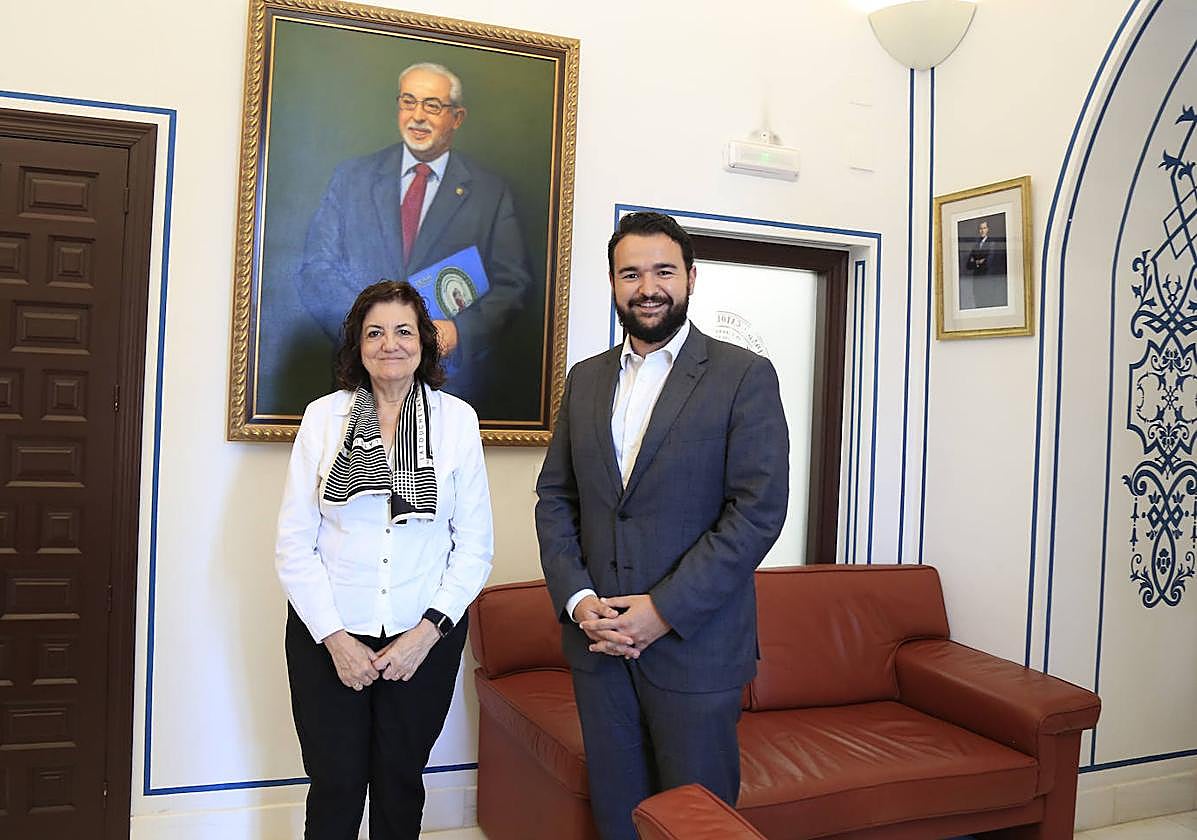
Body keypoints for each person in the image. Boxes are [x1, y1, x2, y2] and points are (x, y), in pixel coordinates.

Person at [535, 212, 790, 840]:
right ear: (614, 284)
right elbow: (555, 499)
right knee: (617, 820)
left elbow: (757, 511)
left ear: (692, 278)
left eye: (663, 271)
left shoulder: (743, 377)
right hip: (599, 650)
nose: (647, 286)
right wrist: (578, 600)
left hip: (694, 651)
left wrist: (664, 610)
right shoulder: (585, 380)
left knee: (697, 824)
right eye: (631, 273)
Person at [276, 279, 494, 839]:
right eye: (375, 332)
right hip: (329, 636)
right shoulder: (323, 417)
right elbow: (295, 544)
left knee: (400, 779)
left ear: (425, 340)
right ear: (358, 344)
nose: (389, 343)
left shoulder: (457, 421)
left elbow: (474, 546)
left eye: (403, 330)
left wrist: (425, 635)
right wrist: (335, 639)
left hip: (423, 636)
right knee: (336, 782)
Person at [298, 61, 534, 416]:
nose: (418, 116)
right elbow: (316, 269)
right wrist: (368, 331)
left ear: (457, 117)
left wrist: (458, 332)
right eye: (409, 102)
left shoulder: (490, 192)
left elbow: (512, 285)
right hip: (359, 385)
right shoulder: (352, 178)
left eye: (432, 105)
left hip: (449, 386)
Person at [961, 218, 1008, 309]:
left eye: (984, 228)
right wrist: (979, 262)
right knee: (978, 303)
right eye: (980, 229)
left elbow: (988, 263)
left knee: (987, 304)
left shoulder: (992, 244)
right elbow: (968, 265)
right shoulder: (976, 245)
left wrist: (975, 262)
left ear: (988, 229)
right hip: (977, 281)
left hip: (987, 279)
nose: (982, 231)